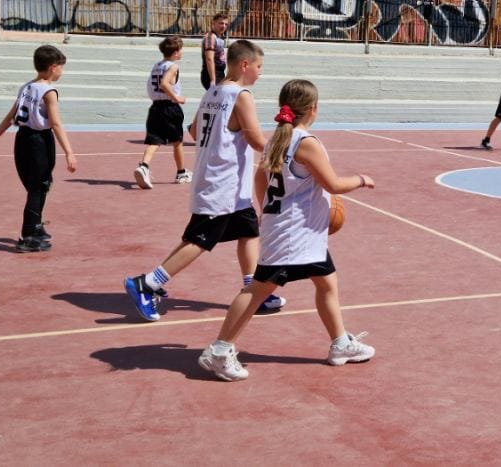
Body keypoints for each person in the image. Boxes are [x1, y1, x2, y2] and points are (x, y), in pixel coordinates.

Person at [197, 79, 378, 382]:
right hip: (294, 236)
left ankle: (341, 344)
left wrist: (268, 208)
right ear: (313, 109)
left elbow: (259, 178)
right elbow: (332, 184)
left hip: (297, 232)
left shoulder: (278, 139)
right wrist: (361, 179)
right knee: (257, 290)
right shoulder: (305, 142)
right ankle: (219, 350)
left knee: (327, 283)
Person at [123, 39, 285, 320]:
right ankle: (148, 283)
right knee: (199, 241)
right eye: (259, 67)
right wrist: (286, 152)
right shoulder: (241, 95)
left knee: (249, 232)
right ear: (244, 65)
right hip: (220, 184)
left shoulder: (213, 91)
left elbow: (195, 131)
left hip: (231, 185)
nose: (260, 72)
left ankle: (253, 290)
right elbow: (257, 139)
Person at [0, 45, 78, 253]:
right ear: (53, 67)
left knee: (39, 185)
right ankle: (28, 235)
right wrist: (69, 151)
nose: (62, 71)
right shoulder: (49, 92)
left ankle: (36, 225)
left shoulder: (26, 87)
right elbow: (56, 123)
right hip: (39, 141)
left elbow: (10, 117)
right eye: (61, 67)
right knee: (38, 187)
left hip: (22, 139)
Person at [135, 36, 190, 189]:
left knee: (154, 140)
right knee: (177, 141)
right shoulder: (173, 67)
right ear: (176, 52)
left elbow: (151, 86)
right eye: (181, 49)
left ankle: (144, 166)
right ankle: (181, 173)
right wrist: (176, 98)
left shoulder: (156, 65)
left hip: (155, 107)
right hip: (170, 108)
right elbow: (164, 83)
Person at [199, 12, 229, 90]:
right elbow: (209, 59)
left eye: (226, 24)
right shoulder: (210, 38)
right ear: (213, 23)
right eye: (221, 23)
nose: (223, 26)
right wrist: (213, 80)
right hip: (212, 74)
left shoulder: (219, 37)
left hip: (219, 73)